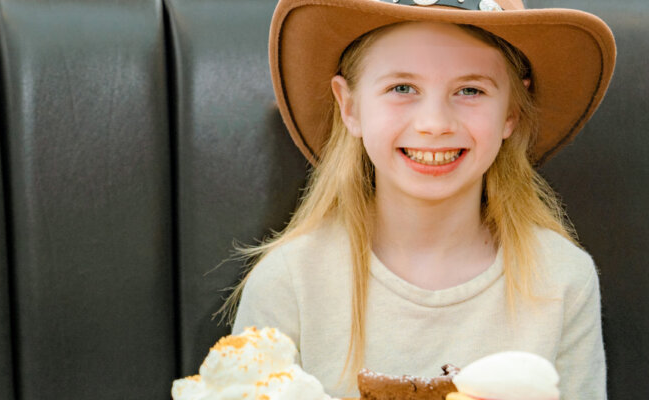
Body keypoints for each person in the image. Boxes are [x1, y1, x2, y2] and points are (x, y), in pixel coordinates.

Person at [225, 0, 616, 397]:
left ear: (511, 112)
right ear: (350, 105)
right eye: (402, 88)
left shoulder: (563, 280)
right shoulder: (289, 282)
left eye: (470, 90)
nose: (434, 124)